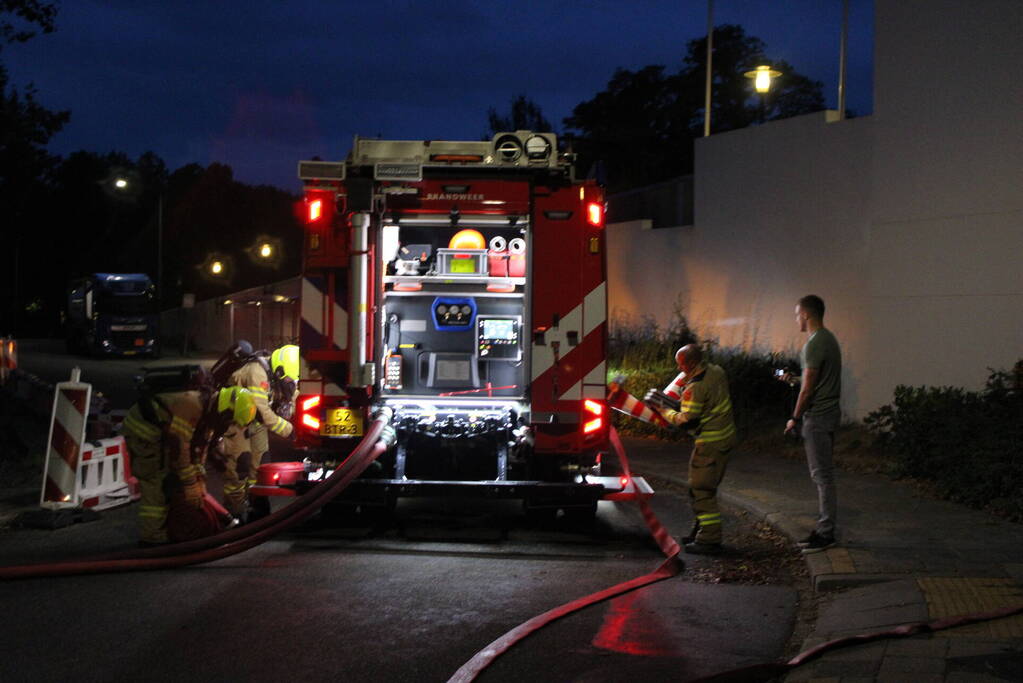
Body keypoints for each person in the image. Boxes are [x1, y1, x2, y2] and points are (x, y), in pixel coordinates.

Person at [122, 386, 257, 545]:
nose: (229, 425)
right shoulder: (191, 406)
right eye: (230, 420)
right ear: (226, 410)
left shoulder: (209, 413)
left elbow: (199, 448)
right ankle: (151, 540)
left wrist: (199, 476)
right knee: (157, 481)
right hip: (145, 432)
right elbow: (180, 447)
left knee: (174, 478)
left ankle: (162, 531)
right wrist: (190, 483)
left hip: (164, 436)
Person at [646, 344, 738, 555]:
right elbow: (697, 395)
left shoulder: (695, 387)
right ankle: (701, 531)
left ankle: (709, 539)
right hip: (724, 438)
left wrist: (663, 409)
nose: (678, 367)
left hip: (709, 444)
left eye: (681, 364)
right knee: (702, 488)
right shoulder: (716, 371)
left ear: (690, 363)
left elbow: (686, 420)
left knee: (701, 490)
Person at [783, 294, 842, 554]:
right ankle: (824, 529)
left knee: (822, 476)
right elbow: (813, 381)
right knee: (825, 475)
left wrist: (794, 417)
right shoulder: (829, 340)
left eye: (797, 314)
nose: (796, 319)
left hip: (817, 417)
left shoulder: (814, 344)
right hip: (830, 413)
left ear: (806, 314)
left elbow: (808, 389)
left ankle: (825, 532)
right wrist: (793, 379)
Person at [215, 344, 298, 519]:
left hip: (255, 421)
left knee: (260, 464)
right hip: (236, 421)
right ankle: (233, 513)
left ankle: (257, 506)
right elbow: (262, 411)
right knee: (240, 467)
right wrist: (290, 430)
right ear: (279, 371)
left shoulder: (278, 376)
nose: (291, 385)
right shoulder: (257, 373)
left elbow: (293, 395)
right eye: (289, 381)